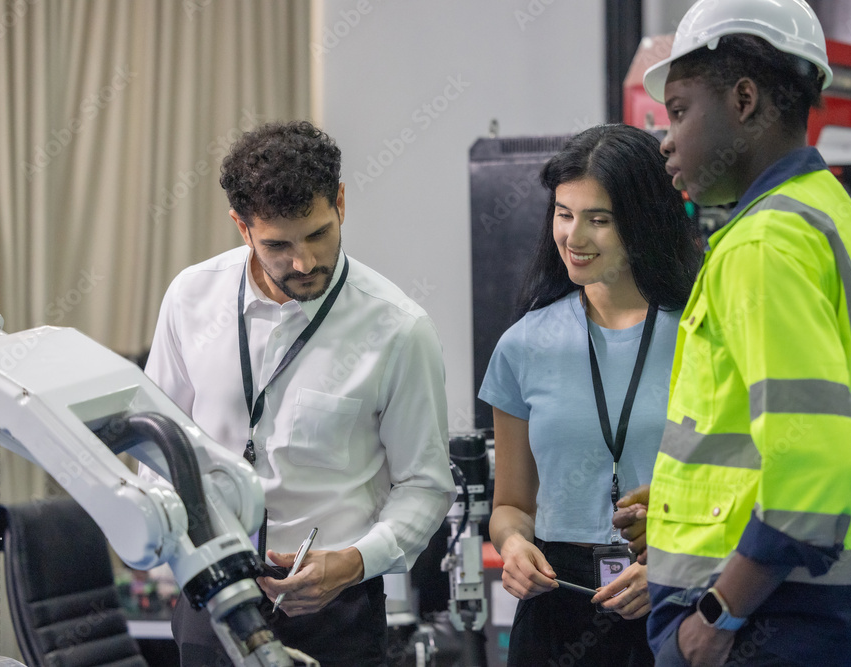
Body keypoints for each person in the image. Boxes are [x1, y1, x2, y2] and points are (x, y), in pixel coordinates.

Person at [620, 1, 851, 665]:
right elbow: (800, 434)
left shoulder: (763, 245)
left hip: (766, 620)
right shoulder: (846, 230)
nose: (666, 139)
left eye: (680, 110)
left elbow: (816, 456)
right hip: (837, 607)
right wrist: (682, 506)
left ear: (744, 100)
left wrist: (718, 614)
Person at [141, 120, 454, 666]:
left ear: (340, 203)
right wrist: (180, 546)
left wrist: (355, 562)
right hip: (209, 596)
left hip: (336, 609)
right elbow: (154, 447)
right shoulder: (191, 298)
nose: (304, 263)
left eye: (317, 235)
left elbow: (425, 486)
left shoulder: (399, 330)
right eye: (278, 246)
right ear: (242, 227)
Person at [480, 124, 703, 666]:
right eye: (564, 214)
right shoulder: (524, 344)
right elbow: (511, 505)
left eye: (598, 220)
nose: (573, 237)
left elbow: (744, 485)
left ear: (643, 220)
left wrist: (674, 568)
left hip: (674, 592)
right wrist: (514, 545)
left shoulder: (703, 333)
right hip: (557, 604)